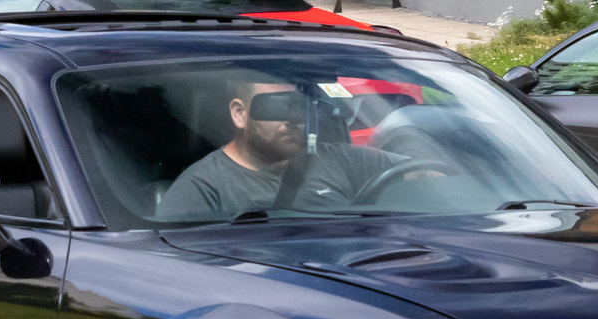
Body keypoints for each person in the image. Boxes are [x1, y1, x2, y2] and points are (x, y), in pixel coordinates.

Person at [158, 77, 418, 221]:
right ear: (239, 114)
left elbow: (426, 176)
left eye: (298, 106)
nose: (294, 119)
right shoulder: (202, 190)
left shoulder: (341, 159)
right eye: (276, 106)